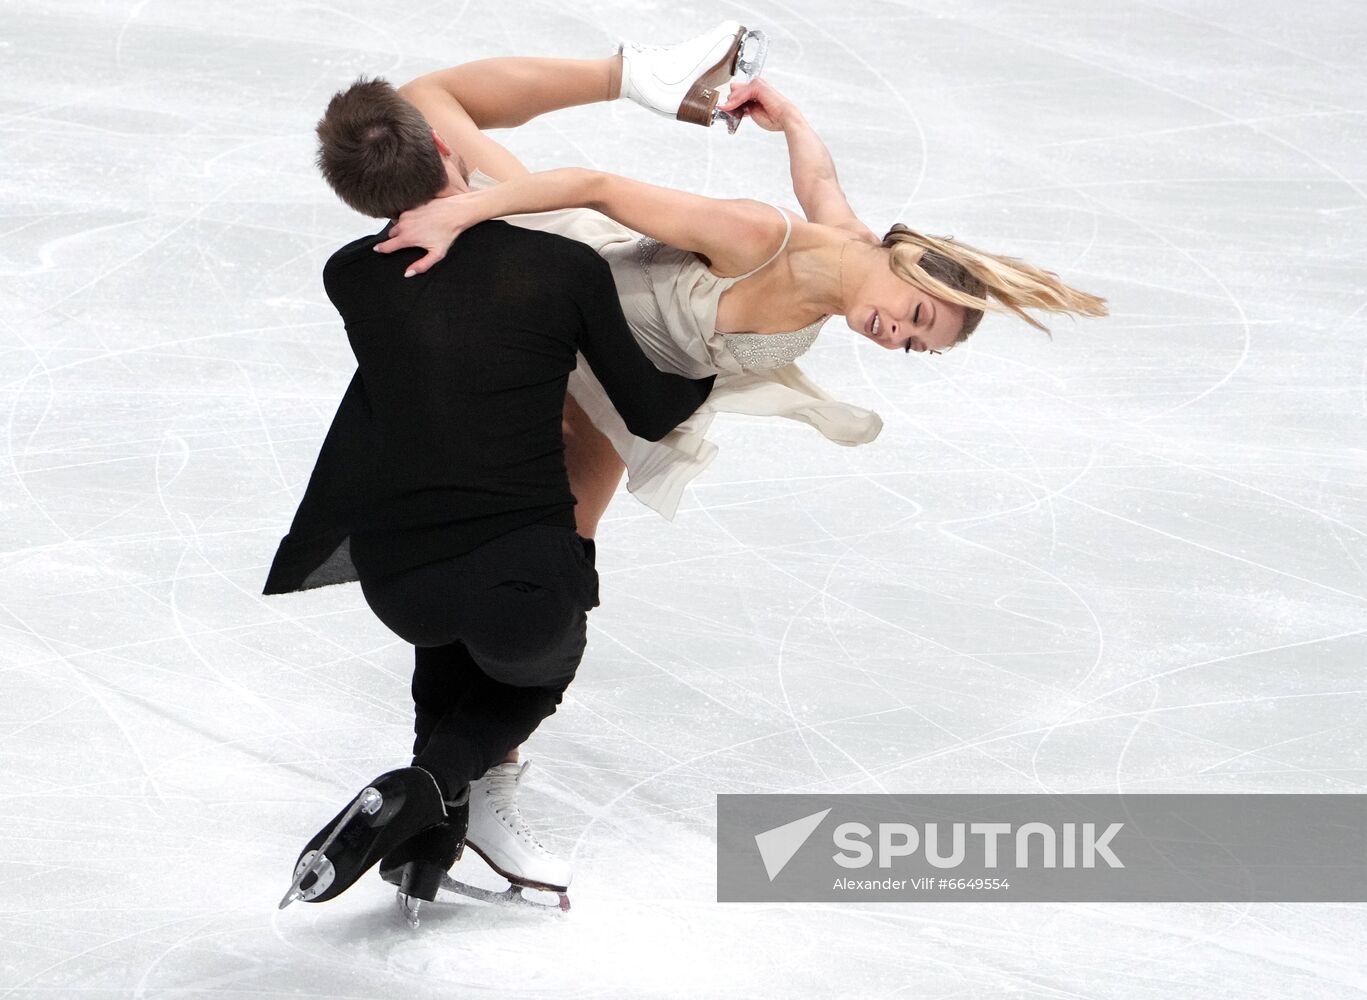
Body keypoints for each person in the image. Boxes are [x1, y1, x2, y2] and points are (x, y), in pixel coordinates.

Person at [369, 24, 1108, 527]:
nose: (896, 337)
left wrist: (790, 120)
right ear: (908, 262)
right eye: (916, 315)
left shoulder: (848, 244)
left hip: (623, 381)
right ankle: (632, 74)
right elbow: (593, 185)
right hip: (561, 274)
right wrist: (464, 212)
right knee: (423, 104)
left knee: (564, 539)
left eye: (916, 345)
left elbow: (821, 183)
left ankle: (500, 743)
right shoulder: (756, 235)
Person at [266, 99, 715, 921]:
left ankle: (422, 844)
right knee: (537, 671)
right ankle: (430, 782)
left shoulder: (349, 274)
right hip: (519, 583)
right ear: (444, 144)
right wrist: (714, 356)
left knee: (451, 634)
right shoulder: (562, 268)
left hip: (398, 579)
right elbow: (651, 412)